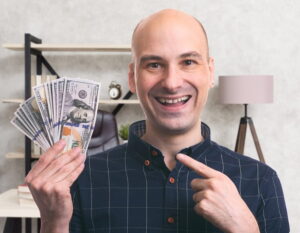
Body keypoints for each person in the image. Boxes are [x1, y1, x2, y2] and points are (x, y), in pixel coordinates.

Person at [25, 9, 289, 233]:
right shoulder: (82, 180)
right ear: (132, 77)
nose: (172, 82)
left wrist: (245, 228)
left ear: (210, 72)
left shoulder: (260, 180)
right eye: (154, 65)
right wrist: (53, 222)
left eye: (188, 61)